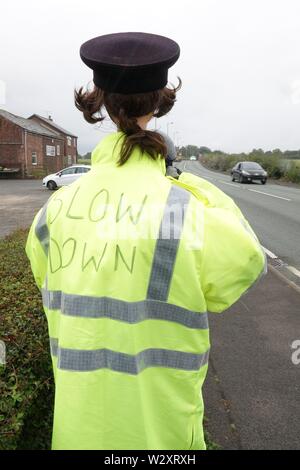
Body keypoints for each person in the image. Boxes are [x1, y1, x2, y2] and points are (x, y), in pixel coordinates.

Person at [25, 32, 266, 450]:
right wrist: (190, 183)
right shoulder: (183, 207)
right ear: (159, 102)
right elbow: (247, 258)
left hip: (75, 434)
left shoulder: (54, 209)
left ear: (99, 99)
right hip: (161, 434)